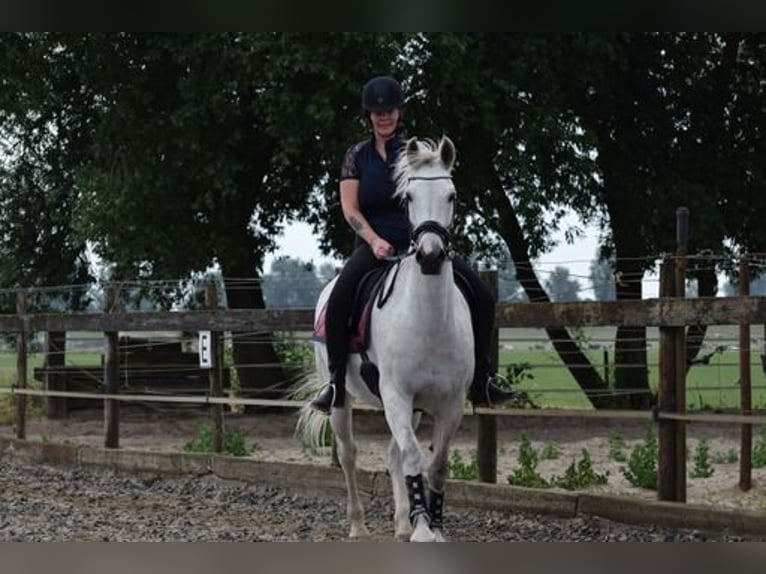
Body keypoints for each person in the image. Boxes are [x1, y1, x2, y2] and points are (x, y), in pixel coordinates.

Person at [310, 75, 516, 414]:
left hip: (420, 243)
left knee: (480, 295)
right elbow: (350, 207)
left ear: (399, 112)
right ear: (368, 116)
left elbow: (436, 192)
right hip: (374, 245)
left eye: (389, 110)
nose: (383, 116)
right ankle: (335, 383)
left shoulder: (416, 152)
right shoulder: (356, 156)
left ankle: (482, 378)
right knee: (339, 299)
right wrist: (374, 241)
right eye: (377, 112)